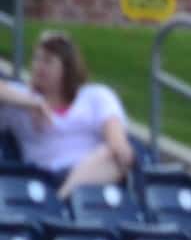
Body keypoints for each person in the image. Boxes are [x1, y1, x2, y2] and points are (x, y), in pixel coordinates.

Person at [0, 31, 136, 194]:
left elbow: (118, 145)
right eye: (36, 59)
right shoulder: (19, 98)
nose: (38, 66)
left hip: (98, 176)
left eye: (48, 61)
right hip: (45, 177)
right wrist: (33, 103)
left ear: (67, 68)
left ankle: (64, 199)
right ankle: (65, 201)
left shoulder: (96, 96)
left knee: (114, 155)